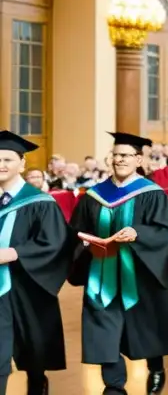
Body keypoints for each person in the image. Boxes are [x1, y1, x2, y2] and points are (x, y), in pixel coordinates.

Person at [69, 132, 168, 395]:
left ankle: (156, 366)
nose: (120, 160)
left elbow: (165, 231)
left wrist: (138, 233)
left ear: (138, 159)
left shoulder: (152, 194)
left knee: (145, 324)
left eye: (126, 155)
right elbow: (75, 230)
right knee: (104, 327)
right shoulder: (95, 195)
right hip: (102, 271)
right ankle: (114, 385)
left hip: (140, 272)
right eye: (116, 155)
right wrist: (84, 243)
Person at [0, 131, 71, 395]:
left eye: (7, 159)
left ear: (22, 163)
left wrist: (14, 253)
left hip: (26, 288)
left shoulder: (40, 203)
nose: (1, 165)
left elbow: (55, 243)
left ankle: (37, 384)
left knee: (33, 355)